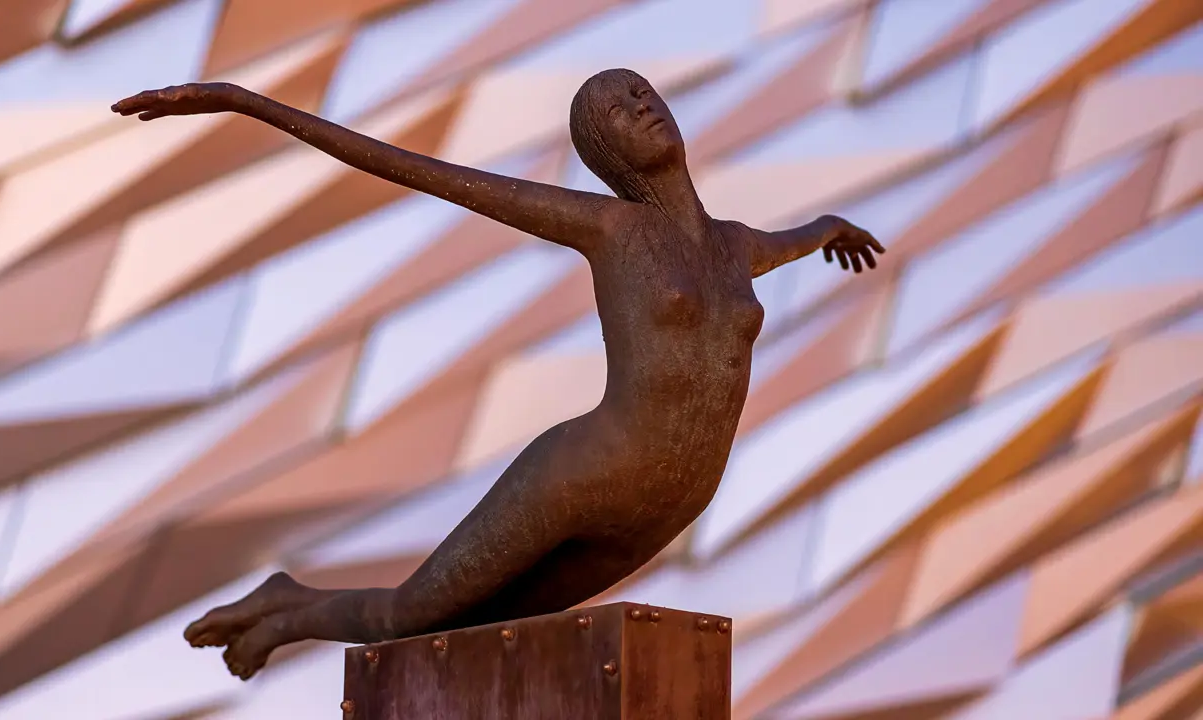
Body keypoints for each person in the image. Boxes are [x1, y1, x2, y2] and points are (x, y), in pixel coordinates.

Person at [112, 68, 884, 680]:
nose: (640, 106)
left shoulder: (735, 244)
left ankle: (285, 615)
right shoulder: (611, 226)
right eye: (616, 107)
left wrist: (831, 230)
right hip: (588, 475)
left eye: (642, 92)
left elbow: (801, 235)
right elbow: (415, 168)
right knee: (411, 617)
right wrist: (242, 102)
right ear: (603, 152)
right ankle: (290, 607)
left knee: (476, 631)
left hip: (672, 499)